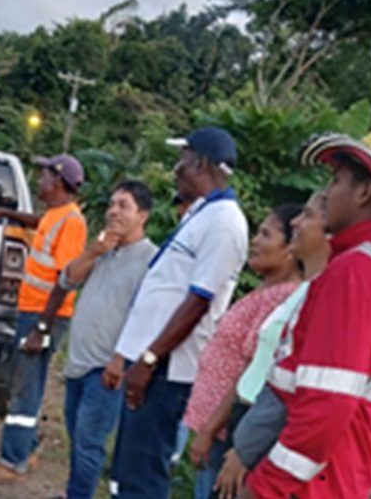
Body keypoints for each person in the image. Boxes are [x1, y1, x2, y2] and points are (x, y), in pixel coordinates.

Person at [238, 129, 371, 499]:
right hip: (343, 473)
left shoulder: (356, 272)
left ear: (364, 192)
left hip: (306, 486)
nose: (327, 193)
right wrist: (369, 433)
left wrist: (266, 487)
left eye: (336, 181)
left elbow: (327, 405)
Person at [107, 127, 249, 499]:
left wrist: (150, 359)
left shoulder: (225, 222)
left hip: (166, 368)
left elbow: (198, 301)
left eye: (182, 160)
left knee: (144, 477)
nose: (176, 169)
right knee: (129, 471)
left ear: (201, 162)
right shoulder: (204, 215)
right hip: (152, 364)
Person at [0, 153, 88, 485]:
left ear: (58, 181)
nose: (38, 181)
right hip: (34, 313)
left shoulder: (72, 222)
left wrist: (41, 327)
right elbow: (39, 223)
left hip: (44, 317)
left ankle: (13, 462)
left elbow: (65, 281)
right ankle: (25, 445)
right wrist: (6, 213)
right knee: (26, 382)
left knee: (25, 388)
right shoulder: (57, 215)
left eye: (43, 176)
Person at [210, 192, 331, 499]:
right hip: (248, 418)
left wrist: (248, 449)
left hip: (262, 434)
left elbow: (292, 388)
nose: (295, 222)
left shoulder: (323, 298)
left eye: (307, 216)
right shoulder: (305, 291)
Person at [183, 203, 303, 498]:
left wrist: (210, 429)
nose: (255, 241)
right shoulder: (264, 291)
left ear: (290, 248)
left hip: (228, 430)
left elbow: (251, 369)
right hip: (219, 426)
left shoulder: (282, 298)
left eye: (265, 234)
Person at [48, 181, 157, 499]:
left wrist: (121, 359)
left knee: (88, 443)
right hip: (78, 363)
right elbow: (67, 280)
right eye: (111, 204)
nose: (112, 211)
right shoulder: (104, 251)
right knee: (76, 437)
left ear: (143, 216)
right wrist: (95, 250)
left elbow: (147, 316)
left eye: (123, 205)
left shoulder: (151, 260)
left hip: (108, 368)